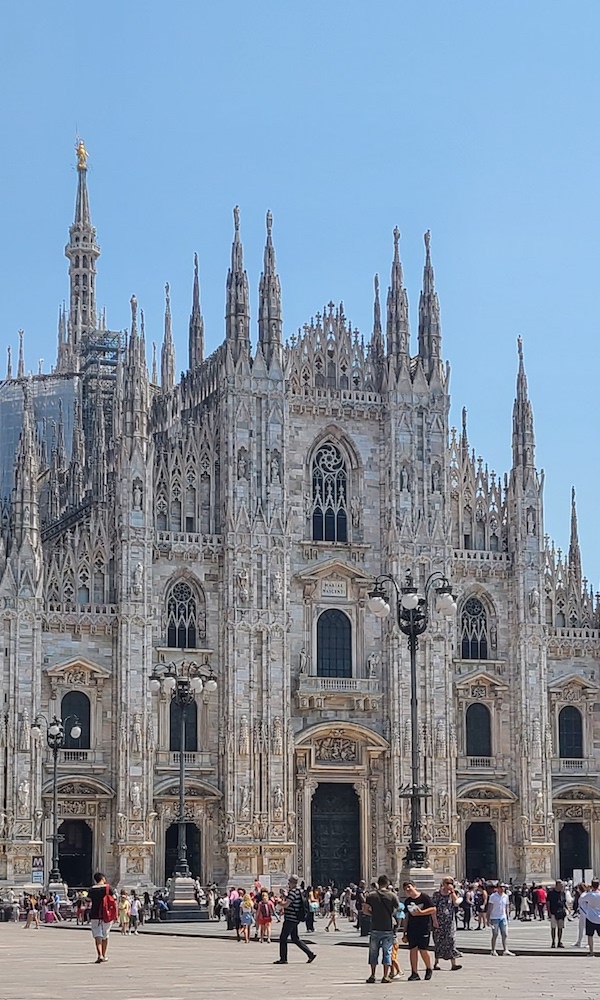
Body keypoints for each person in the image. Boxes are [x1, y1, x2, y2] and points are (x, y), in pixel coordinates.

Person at [363, 874, 399, 984]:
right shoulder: (392, 896)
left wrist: (373, 914)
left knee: (373, 952)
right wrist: (389, 915)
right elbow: (398, 909)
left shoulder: (371, 895)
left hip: (375, 927)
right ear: (387, 884)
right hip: (388, 928)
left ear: (378, 883)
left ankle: (373, 975)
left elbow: (365, 910)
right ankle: (385, 976)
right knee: (387, 952)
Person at [273, 874, 316, 966]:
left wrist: (279, 901)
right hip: (296, 918)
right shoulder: (299, 891)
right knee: (295, 938)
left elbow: (286, 905)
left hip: (290, 918)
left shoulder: (292, 892)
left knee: (283, 938)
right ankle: (310, 954)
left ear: (291, 882)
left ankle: (283, 958)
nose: (288, 884)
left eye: (289, 882)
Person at [403, 880, 435, 981]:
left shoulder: (424, 897)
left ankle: (429, 968)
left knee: (423, 949)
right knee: (412, 950)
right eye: (405, 889)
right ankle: (414, 972)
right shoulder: (407, 901)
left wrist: (421, 912)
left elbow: (433, 909)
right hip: (412, 928)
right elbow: (406, 917)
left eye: (409, 887)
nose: (408, 890)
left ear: (414, 886)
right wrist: (404, 931)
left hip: (424, 927)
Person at [432, 878, 462, 971]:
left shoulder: (453, 893)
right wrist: (434, 920)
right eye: (447, 883)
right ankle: (436, 963)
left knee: (451, 940)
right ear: (443, 884)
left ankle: (453, 964)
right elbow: (433, 908)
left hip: (450, 922)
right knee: (438, 941)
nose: (449, 885)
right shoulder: (437, 894)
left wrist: (452, 892)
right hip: (439, 921)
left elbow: (456, 903)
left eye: (451, 883)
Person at [89, 872, 116, 964]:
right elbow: (114, 900)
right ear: (103, 878)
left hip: (95, 914)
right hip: (106, 915)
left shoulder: (92, 889)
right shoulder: (108, 888)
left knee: (97, 936)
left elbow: (88, 900)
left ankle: (99, 955)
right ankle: (104, 955)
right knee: (105, 935)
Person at [487, 884, 514, 956]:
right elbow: (490, 907)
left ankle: (505, 950)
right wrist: (488, 918)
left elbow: (507, 907)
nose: (502, 889)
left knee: (505, 934)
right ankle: (493, 950)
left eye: (503, 887)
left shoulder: (506, 896)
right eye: (501, 887)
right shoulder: (493, 896)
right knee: (495, 934)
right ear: (497, 888)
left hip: (503, 917)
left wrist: (508, 916)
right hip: (494, 917)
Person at [579, 878, 600, 955]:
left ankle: (591, 952)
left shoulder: (589, 895)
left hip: (590, 917)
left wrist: (587, 890)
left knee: (590, 935)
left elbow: (581, 898)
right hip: (599, 918)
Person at [547, 879, 567, 948]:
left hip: (561, 913)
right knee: (553, 928)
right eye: (561, 885)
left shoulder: (563, 893)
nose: (562, 886)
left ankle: (559, 942)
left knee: (560, 928)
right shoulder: (551, 893)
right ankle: (553, 942)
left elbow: (564, 902)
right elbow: (548, 903)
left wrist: (567, 909)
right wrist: (549, 912)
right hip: (553, 912)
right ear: (557, 885)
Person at [572, 882, 588, 947]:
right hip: (582, 913)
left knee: (586, 928)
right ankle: (579, 942)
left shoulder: (584, 895)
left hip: (585, 913)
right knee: (581, 928)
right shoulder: (582, 895)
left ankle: (587, 943)